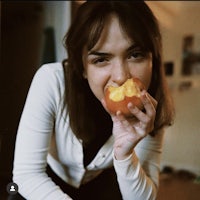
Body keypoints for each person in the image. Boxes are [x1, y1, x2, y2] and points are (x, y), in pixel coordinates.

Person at [11, 1, 174, 200]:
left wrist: (125, 156)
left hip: (99, 183)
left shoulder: (149, 106)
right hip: (43, 180)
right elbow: (26, 175)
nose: (121, 76)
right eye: (101, 59)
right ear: (81, 67)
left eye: (135, 54)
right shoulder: (51, 80)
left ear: (153, 59)